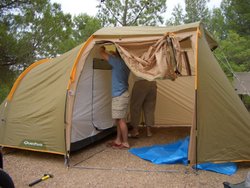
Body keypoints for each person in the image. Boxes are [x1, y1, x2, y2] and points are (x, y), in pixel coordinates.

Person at [99, 46, 130, 149]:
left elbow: (102, 54)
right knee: (118, 119)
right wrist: (115, 54)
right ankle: (118, 140)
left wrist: (101, 48)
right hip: (122, 93)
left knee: (121, 120)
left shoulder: (117, 62)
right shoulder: (126, 63)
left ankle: (125, 142)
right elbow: (117, 59)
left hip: (119, 95)